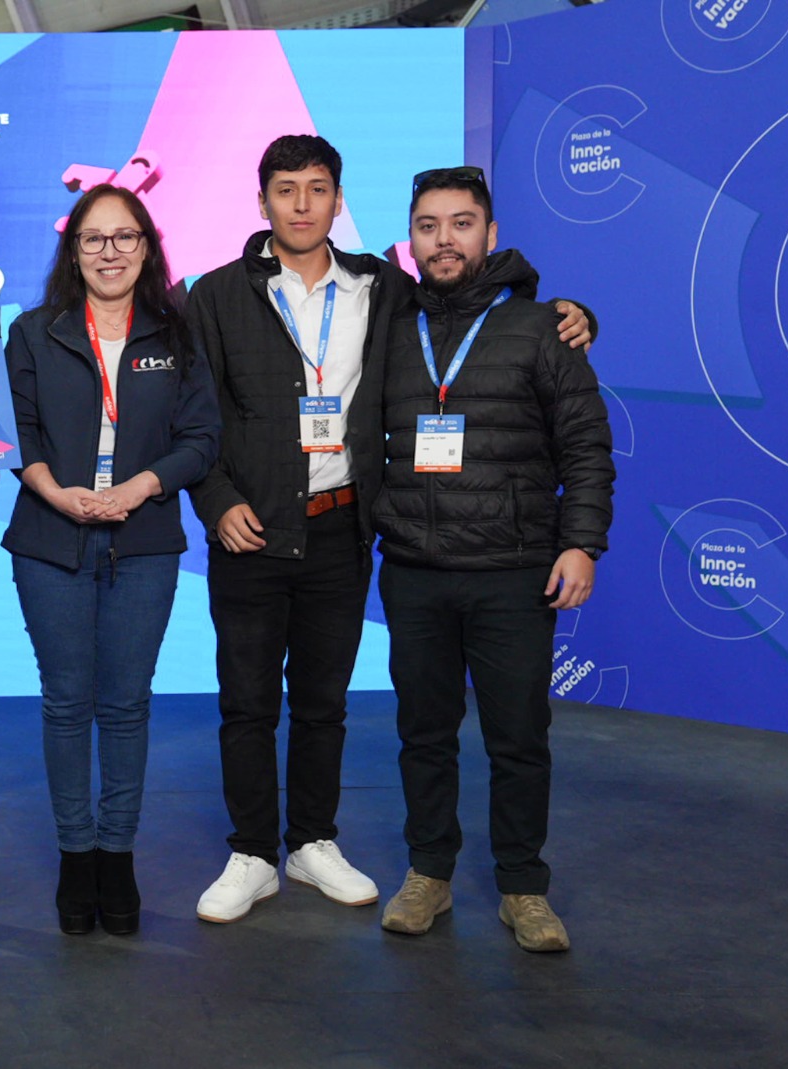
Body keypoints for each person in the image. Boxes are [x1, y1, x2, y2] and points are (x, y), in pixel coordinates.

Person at [185, 135, 593, 924]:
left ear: (339, 201)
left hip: (344, 531)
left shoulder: (383, 288)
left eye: (317, 189)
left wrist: (574, 315)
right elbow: (193, 412)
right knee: (247, 704)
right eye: (285, 190)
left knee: (324, 703)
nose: (302, 204)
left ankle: (312, 841)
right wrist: (216, 499)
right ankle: (251, 853)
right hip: (251, 532)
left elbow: (480, 295)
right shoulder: (215, 295)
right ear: (261, 200)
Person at [374, 166, 614, 952]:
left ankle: (523, 886)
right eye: (428, 226)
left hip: (514, 571)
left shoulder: (543, 327)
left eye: (461, 223)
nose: (444, 240)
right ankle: (428, 873)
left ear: (491, 233)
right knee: (423, 733)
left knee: (518, 737)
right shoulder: (388, 325)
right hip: (414, 569)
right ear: (410, 240)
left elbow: (587, 445)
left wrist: (580, 542)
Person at [3, 186, 220, 935]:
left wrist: (142, 485)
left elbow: (201, 437)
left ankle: (117, 855)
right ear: (73, 252)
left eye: (125, 237)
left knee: (126, 705)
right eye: (93, 239)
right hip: (50, 538)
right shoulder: (34, 332)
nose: (109, 252)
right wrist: (53, 492)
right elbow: (17, 431)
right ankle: (75, 857)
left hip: (144, 539)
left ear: (147, 247)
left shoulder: (177, 333)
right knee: (67, 703)